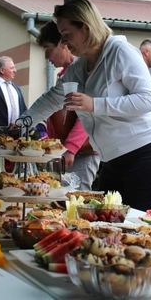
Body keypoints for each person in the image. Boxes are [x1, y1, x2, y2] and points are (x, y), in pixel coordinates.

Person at [23, 0, 151, 210]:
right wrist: (22, 123)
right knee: (108, 228)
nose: (64, 42)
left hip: (149, 155)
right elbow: (52, 98)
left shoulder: (120, 51)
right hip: (113, 159)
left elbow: (147, 99)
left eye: (67, 35)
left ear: (85, 27)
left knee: (146, 232)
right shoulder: (79, 67)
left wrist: (95, 104)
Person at [36, 21, 100, 190]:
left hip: (82, 152)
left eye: (48, 49)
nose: (47, 57)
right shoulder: (65, 75)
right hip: (67, 152)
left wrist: (71, 148)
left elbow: (87, 115)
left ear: (63, 44)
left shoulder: (82, 72)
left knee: (77, 201)